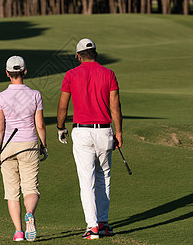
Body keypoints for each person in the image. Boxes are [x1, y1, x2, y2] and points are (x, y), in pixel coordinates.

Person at [56, 38, 122, 240]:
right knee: (104, 177)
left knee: (87, 180)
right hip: (104, 131)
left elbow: (62, 107)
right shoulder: (108, 73)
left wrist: (60, 127)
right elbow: (115, 106)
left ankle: (92, 227)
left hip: (82, 131)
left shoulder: (71, 75)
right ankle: (103, 223)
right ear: (96, 53)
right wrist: (118, 132)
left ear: (78, 56)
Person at [0, 56, 48, 242]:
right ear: (25, 71)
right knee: (31, 188)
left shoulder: (0, 98)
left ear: (7, 73)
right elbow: (40, 125)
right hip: (29, 145)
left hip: (7, 147)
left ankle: (18, 232)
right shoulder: (35, 95)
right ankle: (29, 213)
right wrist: (44, 145)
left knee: (12, 192)